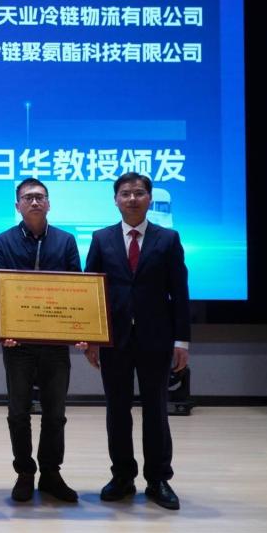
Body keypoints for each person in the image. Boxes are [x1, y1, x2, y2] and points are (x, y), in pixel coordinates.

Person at [82, 172, 190, 510]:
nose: (132, 199)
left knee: (156, 409)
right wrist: (91, 338)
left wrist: (182, 341)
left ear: (149, 198)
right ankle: (122, 477)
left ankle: (158, 479)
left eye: (139, 193)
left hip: (156, 339)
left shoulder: (168, 239)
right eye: (126, 193)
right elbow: (91, 291)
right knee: (117, 410)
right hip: (114, 340)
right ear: (115, 200)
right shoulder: (101, 239)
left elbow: (180, 292)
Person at [0, 178, 80, 503]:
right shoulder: (3, 242)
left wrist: (79, 329)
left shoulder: (66, 241)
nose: (35, 202)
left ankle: (51, 473)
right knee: (18, 412)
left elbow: (77, 289)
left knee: (56, 413)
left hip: (55, 343)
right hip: (18, 345)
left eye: (40, 197)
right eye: (28, 197)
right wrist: (4, 328)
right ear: (18, 206)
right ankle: (25, 473)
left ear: (49, 203)